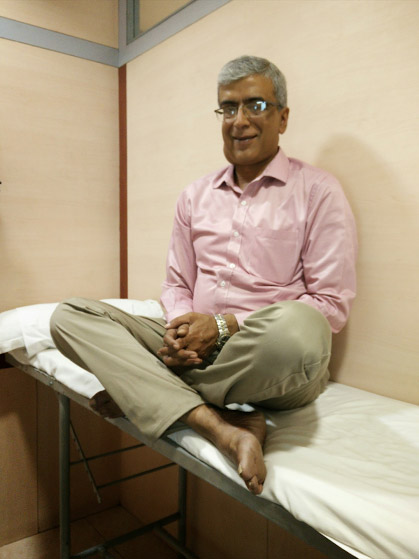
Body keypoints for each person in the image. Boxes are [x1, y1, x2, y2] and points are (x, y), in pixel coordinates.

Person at [50, 55, 357, 496]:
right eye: (228, 108)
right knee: (69, 317)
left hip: (267, 356)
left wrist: (223, 326)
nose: (239, 121)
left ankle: (147, 388)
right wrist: (178, 332)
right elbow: (177, 285)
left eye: (255, 105)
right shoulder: (194, 196)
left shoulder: (318, 192)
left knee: (301, 328)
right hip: (196, 352)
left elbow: (330, 306)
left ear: (283, 118)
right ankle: (220, 424)